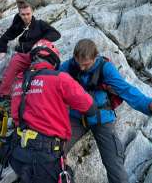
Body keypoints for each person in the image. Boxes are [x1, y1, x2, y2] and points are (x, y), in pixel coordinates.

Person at [60, 39, 152, 183]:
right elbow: (50, 83)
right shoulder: (68, 66)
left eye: (86, 65)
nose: (81, 68)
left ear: (95, 57)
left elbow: (126, 90)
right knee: (53, 150)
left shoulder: (105, 68)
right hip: (75, 117)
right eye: (78, 63)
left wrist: (149, 106)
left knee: (114, 164)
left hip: (101, 118)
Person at [8, 39, 97, 183]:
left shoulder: (18, 82)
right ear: (54, 61)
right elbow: (90, 107)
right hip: (46, 156)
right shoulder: (59, 79)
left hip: (18, 152)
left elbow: (17, 115)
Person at [0, 1, 61, 102]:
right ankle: (2, 95)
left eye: (28, 14)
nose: (26, 17)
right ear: (19, 14)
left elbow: (56, 34)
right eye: (23, 14)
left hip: (38, 56)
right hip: (23, 55)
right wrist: (2, 51)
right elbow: (4, 38)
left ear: (32, 12)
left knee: (41, 77)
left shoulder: (40, 24)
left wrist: (41, 41)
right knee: (10, 71)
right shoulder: (17, 26)